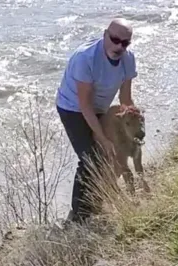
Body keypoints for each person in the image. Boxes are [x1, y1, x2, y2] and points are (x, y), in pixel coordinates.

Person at [55, 18, 138, 224]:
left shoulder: (128, 60)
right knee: (91, 157)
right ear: (105, 34)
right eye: (115, 39)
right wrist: (102, 137)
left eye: (125, 43)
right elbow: (85, 105)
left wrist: (133, 121)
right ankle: (79, 217)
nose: (119, 46)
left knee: (115, 151)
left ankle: (98, 200)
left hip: (100, 107)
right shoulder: (86, 58)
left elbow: (125, 99)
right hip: (73, 107)